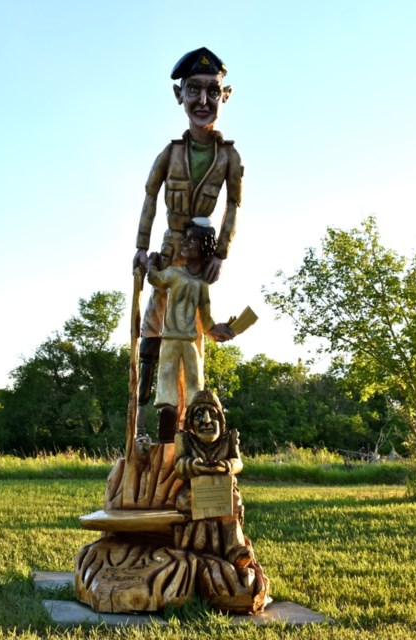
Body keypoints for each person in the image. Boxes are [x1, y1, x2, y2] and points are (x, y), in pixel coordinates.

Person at [132, 47, 243, 439]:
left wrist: (221, 253)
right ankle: (151, 401)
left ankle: (194, 419)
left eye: (212, 92)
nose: (202, 101)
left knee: (196, 327)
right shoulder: (171, 153)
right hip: (169, 247)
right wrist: (142, 248)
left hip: (203, 252)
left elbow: (233, 205)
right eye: (193, 90)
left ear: (224, 96)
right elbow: (149, 197)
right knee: (155, 321)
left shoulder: (228, 157)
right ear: (179, 95)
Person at [145, 220, 235, 444]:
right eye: (185, 238)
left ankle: (194, 434)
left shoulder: (201, 285)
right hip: (170, 340)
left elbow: (206, 321)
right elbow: (155, 279)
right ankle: (166, 437)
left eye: (192, 239)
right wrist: (151, 264)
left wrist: (220, 330)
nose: (185, 243)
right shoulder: (174, 273)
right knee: (166, 383)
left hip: (189, 341)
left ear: (203, 247)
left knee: (195, 384)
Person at [173, 389, 254, 571]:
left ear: (221, 419)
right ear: (191, 423)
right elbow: (179, 464)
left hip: (223, 492)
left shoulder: (229, 439)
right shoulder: (184, 439)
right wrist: (195, 466)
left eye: (213, 414)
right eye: (199, 415)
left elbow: (237, 462)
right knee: (197, 511)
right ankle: (197, 550)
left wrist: (225, 466)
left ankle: (235, 549)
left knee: (230, 508)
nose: (207, 421)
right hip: (195, 493)